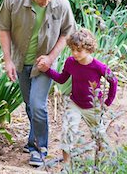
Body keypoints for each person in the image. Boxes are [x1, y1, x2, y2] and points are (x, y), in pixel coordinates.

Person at [0, 0, 76, 166]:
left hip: (45, 64)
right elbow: (3, 28)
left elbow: (67, 33)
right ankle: (33, 141)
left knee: (38, 105)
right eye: (41, 0)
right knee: (30, 104)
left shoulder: (61, 4)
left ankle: (40, 149)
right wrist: (8, 60)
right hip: (21, 60)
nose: (45, 3)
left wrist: (50, 58)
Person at [37, 28, 118, 167]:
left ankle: (101, 165)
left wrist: (107, 102)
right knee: (68, 132)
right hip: (75, 103)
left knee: (99, 136)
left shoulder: (98, 66)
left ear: (88, 49)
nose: (75, 53)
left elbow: (113, 81)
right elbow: (62, 79)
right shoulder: (70, 62)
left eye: (78, 50)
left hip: (93, 106)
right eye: (72, 49)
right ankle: (67, 166)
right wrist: (48, 70)